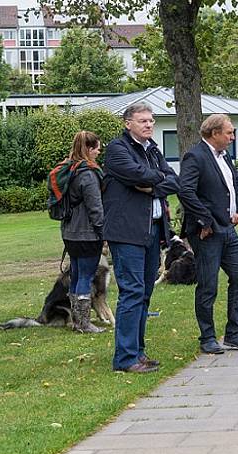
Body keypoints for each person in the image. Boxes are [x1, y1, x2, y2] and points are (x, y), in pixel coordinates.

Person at [104, 102, 180, 373]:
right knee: (132, 291)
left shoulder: (153, 150)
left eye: (151, 120)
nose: (149, 124)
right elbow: (135, 174)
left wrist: (150, 185)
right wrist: (154, 181)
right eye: (143, 120)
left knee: (145, 293)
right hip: (127, 232)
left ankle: (138, 352)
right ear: (128, 123)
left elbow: (173, 180)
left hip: (152, 231)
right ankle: (125, 359)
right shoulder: (117, 149)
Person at [178, 114, 238, 355]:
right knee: (208, 284)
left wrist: (237, 209)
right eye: (229, 133)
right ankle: (208, 336)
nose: (232, 137)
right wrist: (205, 220)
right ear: (214, 133)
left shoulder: (225, 156)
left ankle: (234, 332)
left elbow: (236, 184)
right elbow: (186, 191)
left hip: (228, 229)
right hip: (207, 231)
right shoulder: (195, 156)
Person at [59, 131, 105, 334]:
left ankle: (77, 320)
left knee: (76, 275)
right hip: (86, 233)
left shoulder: (70, 169)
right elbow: (95, 207)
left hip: (69, 232)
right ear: (88, 149)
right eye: (96, 147)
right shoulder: (88, 174)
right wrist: (103, 232)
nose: (99, 151)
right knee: (86, 276)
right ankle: (84, 323)